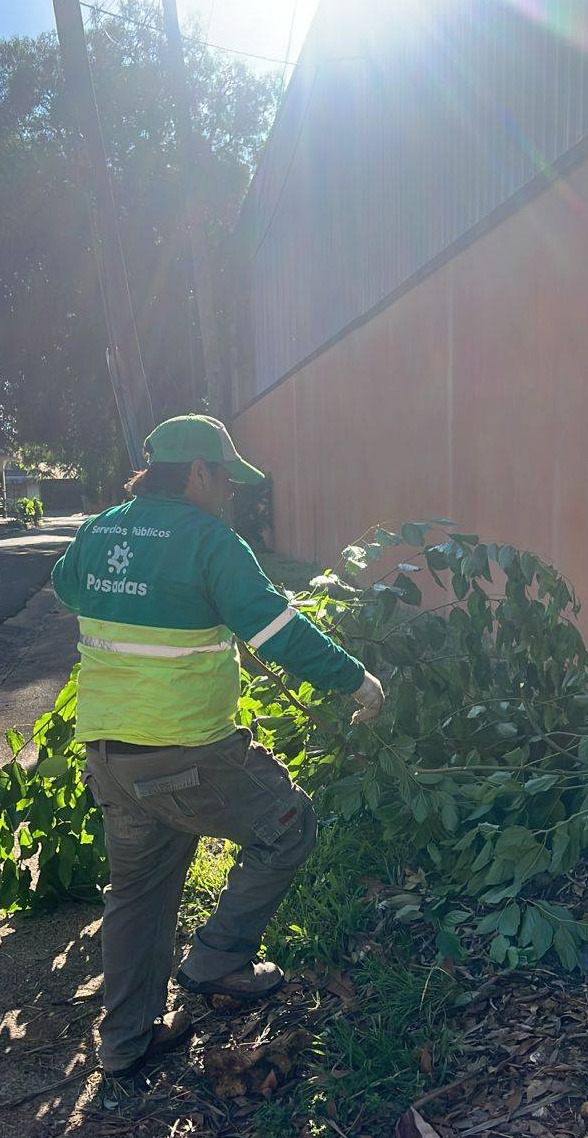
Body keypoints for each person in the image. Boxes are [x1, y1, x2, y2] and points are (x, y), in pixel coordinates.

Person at [52, 414, 384, 1077]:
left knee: (137, 897)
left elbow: (67, 587)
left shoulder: (99, 529)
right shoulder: (210, 539)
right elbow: (277, 630)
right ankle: (217, 959)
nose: (232, 491)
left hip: (111, 759)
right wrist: (357, 681)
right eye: (226, 478)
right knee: (288, 823)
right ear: (198, 472)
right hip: (189, 754)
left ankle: (125, 1045)